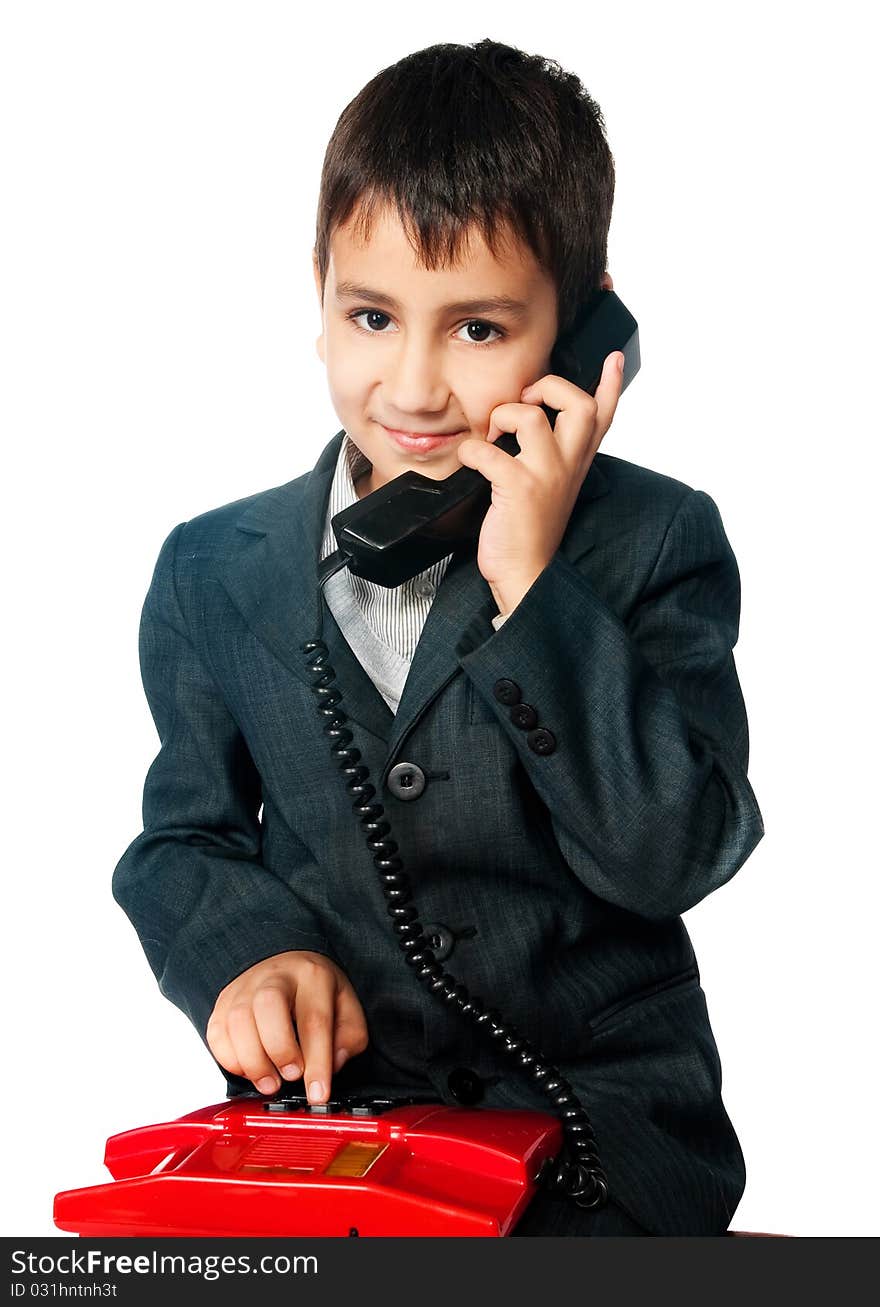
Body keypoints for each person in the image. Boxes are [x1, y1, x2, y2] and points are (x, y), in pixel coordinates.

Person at [112, 39, 765, 1236]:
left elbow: (680, 848)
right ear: (317, 300)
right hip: (338, 1136)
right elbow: (183, 837)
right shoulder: (213, 570)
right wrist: (244, 954)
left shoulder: (656, 540)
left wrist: (530, 582)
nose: (411, 385)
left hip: (599, 1147)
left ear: (583, 337)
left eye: (477, 329)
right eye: (372, 315)